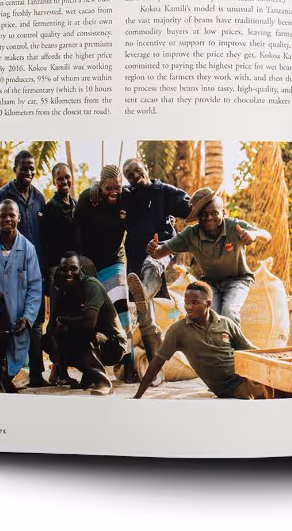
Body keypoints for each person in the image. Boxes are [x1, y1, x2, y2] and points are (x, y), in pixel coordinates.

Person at [148, 188, 270, 325]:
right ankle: (214, 345)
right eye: (204, 215)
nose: (209, 218)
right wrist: (154, 249)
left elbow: (266, 235)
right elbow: (160, 253)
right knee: (211, 316)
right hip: (211, 284)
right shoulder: (190, 234)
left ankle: (233, 346)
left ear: (223, 212)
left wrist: (254, 235)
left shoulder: (234, 227)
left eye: (214, 213)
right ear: (198, 217)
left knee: (229, 311)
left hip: (238, 280)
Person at [133, 281, 271, 400]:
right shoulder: (178, 330)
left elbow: (250, 349)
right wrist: (137, 396)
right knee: (274, 391)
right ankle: (145, 313)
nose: (189, 307)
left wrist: (275, 359)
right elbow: (156, 363)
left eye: (194, 303)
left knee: (282, 382)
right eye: (186, 303)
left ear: (208, 303)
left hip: (246, 375)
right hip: (231, 386)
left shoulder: (226, 323)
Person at [119, 157, 191, 378]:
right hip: (134, 261)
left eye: (137, 171)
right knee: (144, 315)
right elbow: (105, 194)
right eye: (129, 175)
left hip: (162, 250)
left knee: (152, 266)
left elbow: (190, 207)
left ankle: (145, 293)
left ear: (146, 168)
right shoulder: (127, 196)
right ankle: (140, 365)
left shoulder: (164, 192)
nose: (134, 176)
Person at [0, 150, 49, 387]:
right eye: (24, 168)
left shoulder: (39, 198)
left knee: (35, 321)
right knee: (8, 322)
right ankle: (3, 376)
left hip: (35, 270)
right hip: (9, 273)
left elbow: (44, 236)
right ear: (15, 168)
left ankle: (36, 375)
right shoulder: (2, 196)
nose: (29, 173)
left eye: (32, 168)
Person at [74, 164, 138, 382]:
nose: (113, 192)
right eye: (108, 188)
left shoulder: (126, 198)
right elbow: (77, 230)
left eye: (117, 188)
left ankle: (128, 361)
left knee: (121, 308)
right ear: (100, 185)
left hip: (114, 261)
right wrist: (81, 259)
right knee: (91, 314)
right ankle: (91, 367)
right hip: (89, 264)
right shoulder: (87, 198)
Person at [0, 199, 43, 393]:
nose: (7, 219)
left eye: (11, 215)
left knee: (18, 349)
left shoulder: (28, 249)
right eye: (3, 215)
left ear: (18, 218)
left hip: (19, 309)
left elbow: (35, 286)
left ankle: (7, 378)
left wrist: (28, 316)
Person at [43, 252, 127, 395]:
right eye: (64, 270)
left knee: (83, 333)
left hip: (112, 344)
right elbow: (52, 328)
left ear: (81, 269)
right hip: (88, 338)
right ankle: (88, 375)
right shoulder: (63, 289)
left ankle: (103, 380)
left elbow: (89, 323)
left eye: (73, 269)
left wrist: (64, 321)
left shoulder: (91, 285)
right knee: (47, 340)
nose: (68, 273)